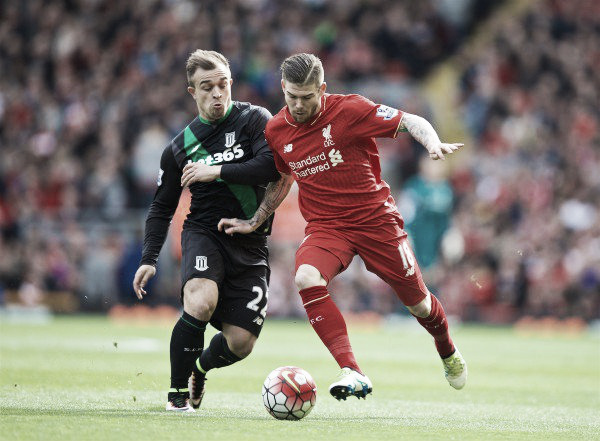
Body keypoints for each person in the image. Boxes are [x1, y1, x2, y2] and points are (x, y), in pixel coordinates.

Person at [218, 53, 467, 401]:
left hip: (375, 221)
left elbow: (410, 120)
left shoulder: (350, 110)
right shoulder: (276, 130)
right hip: (327, 227)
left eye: (307, 97)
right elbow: (283, 177)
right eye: (292, 96)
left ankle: (446, 348)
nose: (299, 104)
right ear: (282, 89)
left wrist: (431, 142)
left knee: (420, 305)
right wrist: (257, 219)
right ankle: (352, 370)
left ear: (322, 89)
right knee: (306, 277)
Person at [132, 50, 280, 412]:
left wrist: (216, 171)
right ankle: (176, 395)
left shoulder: (255, 120)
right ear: (191, 92)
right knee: (200, 300)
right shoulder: (180, 147)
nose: (217, 93)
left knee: (241, 343)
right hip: (205, 233)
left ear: (230, 83)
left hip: (252, 242)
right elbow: (161, 206)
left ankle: (200, 368)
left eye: (222, 84)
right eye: (206, 87)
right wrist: (150, 257)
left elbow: (270, 166)